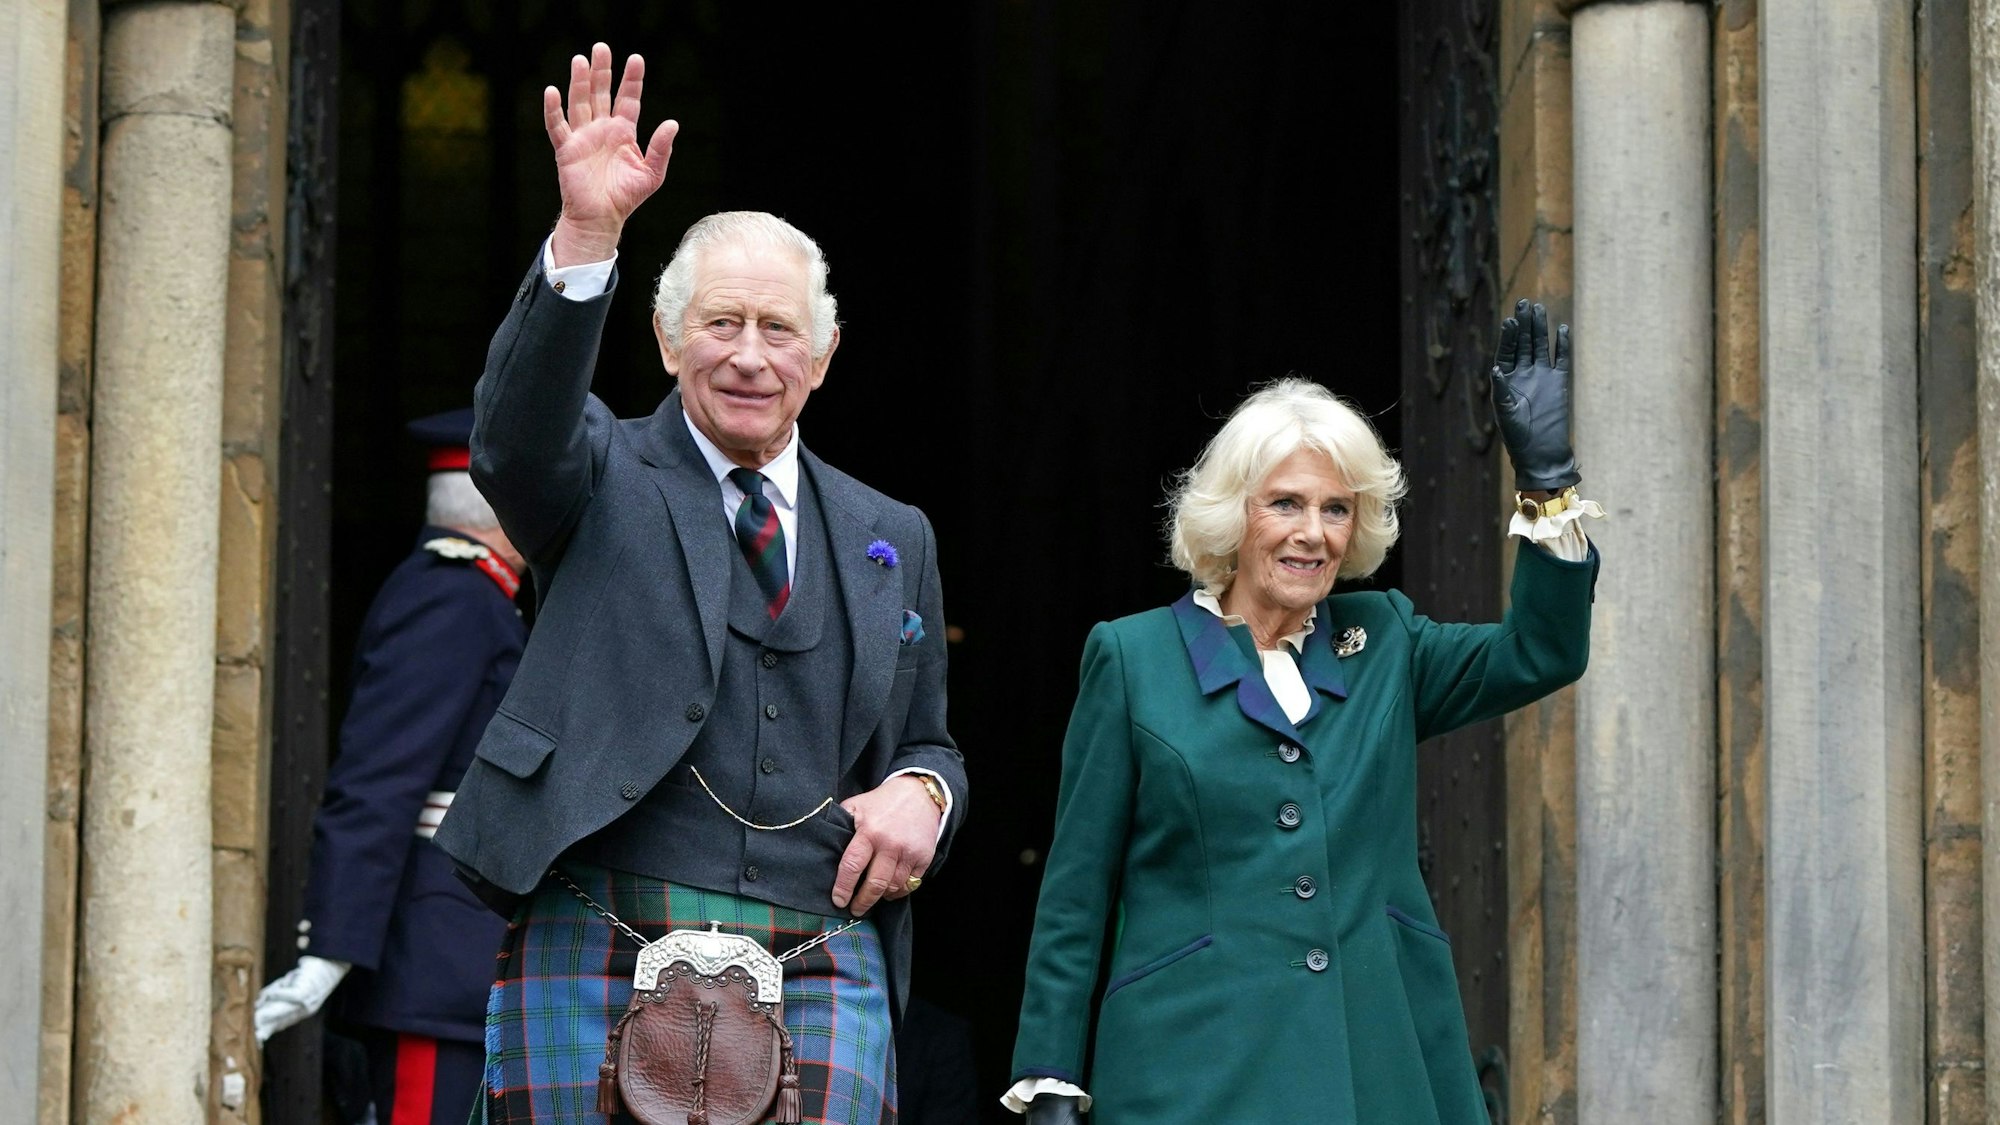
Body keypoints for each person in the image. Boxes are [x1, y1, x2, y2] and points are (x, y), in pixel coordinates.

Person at [431, 43, 966, 1124]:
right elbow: (514, 436)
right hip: (604, 910)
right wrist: (586, 235)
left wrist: (926, 794)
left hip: (818, 942)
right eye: (720, 324)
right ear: (670, 341)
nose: (750, 356)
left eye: (779, 331)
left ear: (822, 356)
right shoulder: (594, 471)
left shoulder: (889, 533)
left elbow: (925, 736)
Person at [1005, 303, 1601, 1124]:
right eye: (1285, 503)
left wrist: (1547, 482)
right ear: (1233, 512)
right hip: (1191, 1067)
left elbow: (1543, 650)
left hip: (1376, 1059)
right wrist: (1050, 1074)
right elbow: (1076, 888)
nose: (1312, 533)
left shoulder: (1386, 639)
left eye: (1336, 508)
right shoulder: (1132, 657)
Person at [255, 408, 529, 1125]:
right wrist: (333, 947)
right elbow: (382, 778)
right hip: (431, 973)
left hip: (457, 972)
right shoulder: (452, 597)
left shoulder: (481, 599)